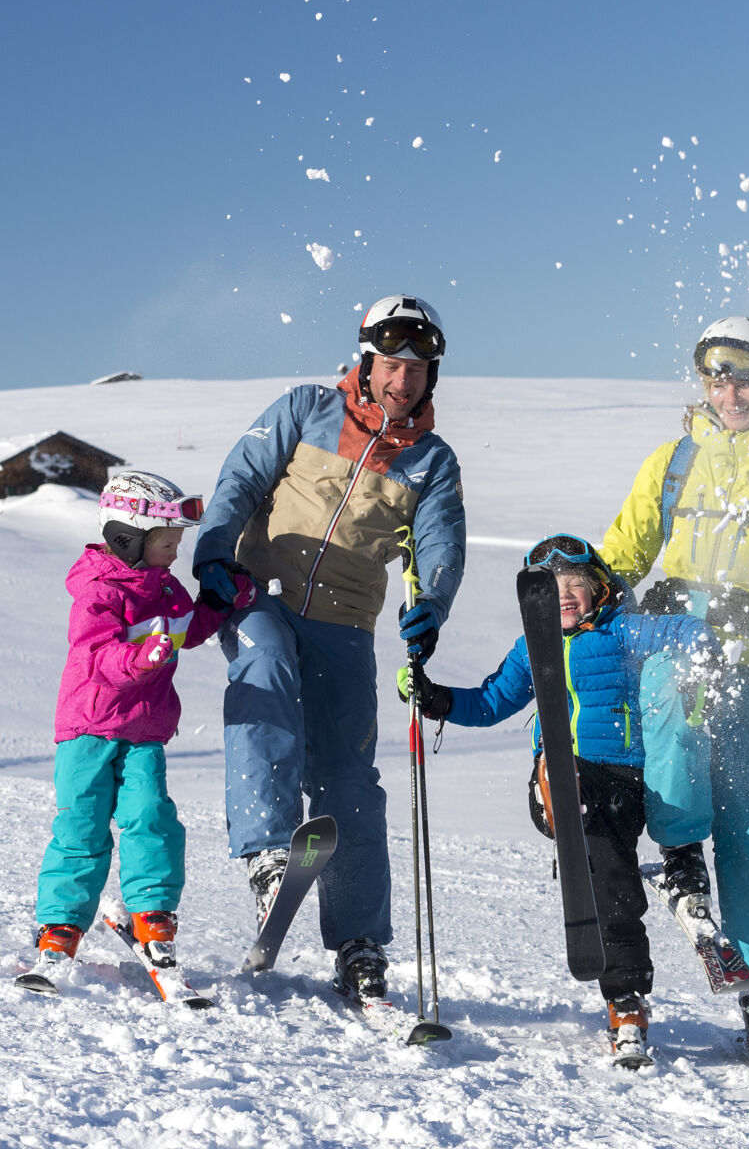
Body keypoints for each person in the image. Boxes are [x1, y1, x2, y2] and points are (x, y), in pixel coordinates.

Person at [193, 295, 465, 1001]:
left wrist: (430, 603)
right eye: (393, 363)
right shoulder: (306, 409)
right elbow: (241, 478)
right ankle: (266, 855)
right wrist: (214, 554)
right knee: (267, 670)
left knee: (349, 777)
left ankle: (360, 943)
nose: (404, 379)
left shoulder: (431, 461)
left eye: (419, 368)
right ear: (368, 360)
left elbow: (440, 545)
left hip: (346, 620)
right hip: (259, 592)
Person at [397, 533, 719, 1062]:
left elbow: (677, 631)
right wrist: (435, 699)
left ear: (599, 589)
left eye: (576, 585)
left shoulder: (623, 631)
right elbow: (492, 699)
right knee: (563, 769)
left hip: (623, 782)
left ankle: (626, 1002)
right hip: (562, 773)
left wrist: (703, 646)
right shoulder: (532, 646)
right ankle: (558, 790)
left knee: (612, 887)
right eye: (551, 588)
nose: (565, 596)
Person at [601, 315, 749, 1060]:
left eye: (745, 376)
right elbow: (622, 554)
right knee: (675, 730)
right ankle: (681, 855)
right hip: (675, 644)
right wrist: (574, 582)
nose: (731, 391)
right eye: (717, 377)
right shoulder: (675, 461)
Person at [31, 471, 255, 975]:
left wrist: (218, 604)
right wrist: (139, 658)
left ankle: (152, 914)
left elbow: (185, 633)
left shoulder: (167, 589)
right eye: (166, 542)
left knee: (150, 816)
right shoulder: (99, 592)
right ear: (127, 538)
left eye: (178, 542)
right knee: (81, 828)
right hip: (88, 730)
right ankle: (61, 923)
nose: (175, 552)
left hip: (144, 731)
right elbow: (95, 658)